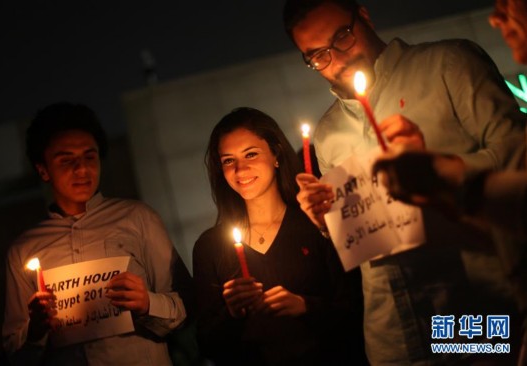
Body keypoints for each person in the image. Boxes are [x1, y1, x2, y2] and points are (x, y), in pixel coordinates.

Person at [283, 0, 526, 364]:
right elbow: (360, 235)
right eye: (318, 55)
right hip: (392, 334)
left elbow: (516, 159)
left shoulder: (449, 65)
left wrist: (437, 170)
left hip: (476, 311)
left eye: (343, 37)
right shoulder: (329, 133)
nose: (338, 59)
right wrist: (326, 220)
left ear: (363, 16)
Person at [2, 102, 187, 365]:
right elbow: (14, 352)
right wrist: (36, 331)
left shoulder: (138, 218)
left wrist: (148, 304)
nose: (82, 169)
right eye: (66, 160)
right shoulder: (24, 250)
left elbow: (187, 307)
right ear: (43, 169)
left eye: (90, 156)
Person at [193, 107, 367, 365]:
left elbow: (358, 309)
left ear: (276, 154)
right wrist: (231, 312)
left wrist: (305, 306)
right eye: (228, 160)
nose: (241, 170)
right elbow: (207, 343)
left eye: (251, 154)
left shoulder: (317, 224)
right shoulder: (210, 246)